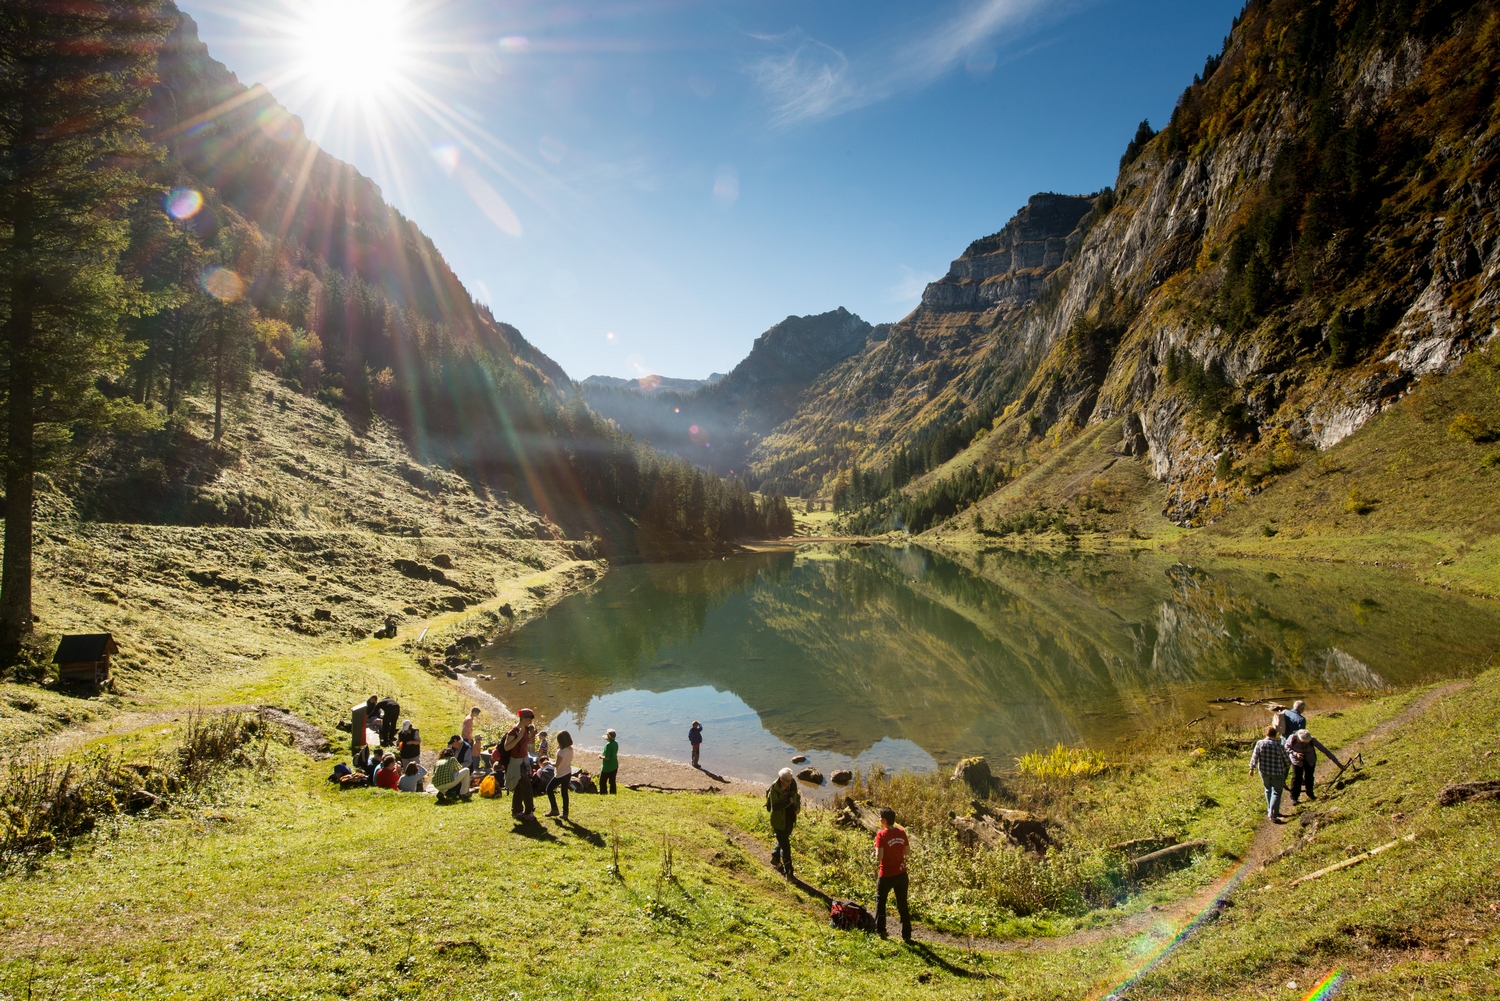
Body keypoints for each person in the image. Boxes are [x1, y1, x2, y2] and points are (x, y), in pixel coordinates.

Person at [874, 807, 912, 942]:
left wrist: (876, 848)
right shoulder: (901, 832)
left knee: (881, 901)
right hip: (901, 874)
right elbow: (907, 852)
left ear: (884, 820)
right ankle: (907, 934)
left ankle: (881, 930)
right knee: (902, 903)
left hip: (886, 874)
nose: (879, 819)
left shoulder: (881, 835)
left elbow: (879, 856)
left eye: (880, 817)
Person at [1285, 728, 1341, 805]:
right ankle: (1294, 798)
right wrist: (1295, 754)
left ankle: (1310, 793)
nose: (1305, 744)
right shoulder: (1292, 738)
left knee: (1309, 777)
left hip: (1310, 760)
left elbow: (1324, 750)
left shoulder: (1312, 740)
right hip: (1297, 761)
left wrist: (1337, 763)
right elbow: (1286, 747)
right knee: (1296, 778)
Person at [1249, 724, 1292, 822]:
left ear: (1266, 734)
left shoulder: (1260, 743)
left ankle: (1270, 810)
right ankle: (1273, 814)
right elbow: (1287, 761)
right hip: (1277, 772)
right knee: (1277, 792)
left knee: (1268, 790)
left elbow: (1254, 757)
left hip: (1264, 771)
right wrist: (1285, 767)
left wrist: (1251, 768)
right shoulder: (1279, 746)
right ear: (1275, 735)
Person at [765, 767, 801, 879]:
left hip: (789, 818)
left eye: (791, 780)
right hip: (778, 822)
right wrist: (789, 801)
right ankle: (789, 873)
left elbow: (796, 797)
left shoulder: (792, 783)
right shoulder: (774, 789)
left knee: (783, 840)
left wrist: (797, 807)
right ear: (781, 779)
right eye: (788, 781)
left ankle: (775, 858)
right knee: (786, 848)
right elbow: (775, 807)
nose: (790, 783)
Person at [504, 709, 538, 820]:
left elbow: (524, 744)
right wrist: (518, 737)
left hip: (524, 761)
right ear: (522, 718)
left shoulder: (526, 729)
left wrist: (532, 736)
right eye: (528, 720)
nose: (530, 722)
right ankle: (529, 812)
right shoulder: (513, 731)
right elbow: (507, 747)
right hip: (516, 763)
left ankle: (516, 811)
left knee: (519, 787)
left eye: (531, 720)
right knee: (527, 787)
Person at [546, 730, 575, 819]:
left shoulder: (561, 752)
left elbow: (556, 764)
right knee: (564, 793)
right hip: (568, 773)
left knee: (549, 789)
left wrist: (549, 762)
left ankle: (554, 809)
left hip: (560, 774)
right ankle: (565, 812)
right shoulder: (570, 749)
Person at [598, 729, 619, 795]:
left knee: (602, 781)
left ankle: (603, 793)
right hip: (614, 765)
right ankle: (613, 793)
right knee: (612, 781)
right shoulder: (616, 743)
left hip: (607, 767)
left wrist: (601, 757)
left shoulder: (608, 745)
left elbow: (607, 757)